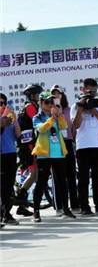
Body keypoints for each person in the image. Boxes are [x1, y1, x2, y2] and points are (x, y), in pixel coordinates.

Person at [71, 78, 98, 215]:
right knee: (83, 178)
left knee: (97, 177)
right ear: (83, 90)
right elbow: (76, 125)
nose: (92, 94)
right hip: (83, 146)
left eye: (94, 91)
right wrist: (80, 109)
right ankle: (84, 206)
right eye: (89, 91)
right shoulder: (75, 106)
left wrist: (93, 110)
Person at [32, 91, 77, 222]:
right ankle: (36, 211)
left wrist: (60, 115)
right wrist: (52, 118)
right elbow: (41, 129)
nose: (50, 104)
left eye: (52, 102)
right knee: (41, 182)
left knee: (62, 181)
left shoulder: (57, 116)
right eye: (47, 102)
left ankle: (66, 209)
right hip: (44, 155)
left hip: (58, 153)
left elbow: (64, 127)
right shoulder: (38, 117)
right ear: (41, 103)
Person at [14, 84, 43, 217]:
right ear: (32, 96)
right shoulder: (30, 107)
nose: (39, 97)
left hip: (25, 145)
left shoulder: (29, 106)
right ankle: (20, 196)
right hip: (28, 145)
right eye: (37, 95)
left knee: (27, 174)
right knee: (33, 174)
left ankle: (21, 205)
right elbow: (38, 120)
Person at [51, 84, 79, 211]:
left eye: (58, 93)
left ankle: (74, 204)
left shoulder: (68, 109)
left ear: (63, 95)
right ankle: (60, 206)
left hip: (68, 142)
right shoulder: (50, 110)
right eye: (54, 94)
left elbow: (73, 128)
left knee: (71, 174)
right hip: (55, 144)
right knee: (58, 176)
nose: (56, 96)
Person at [1, 94, 22, 225]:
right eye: (0, 103)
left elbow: (18, 135)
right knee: (2, 187)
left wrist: (15, 121)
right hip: (1, 155)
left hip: (11, 153)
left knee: (8, 186)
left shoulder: (9, 119)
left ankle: (6, 213)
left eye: (4, 103)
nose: (3, 106)